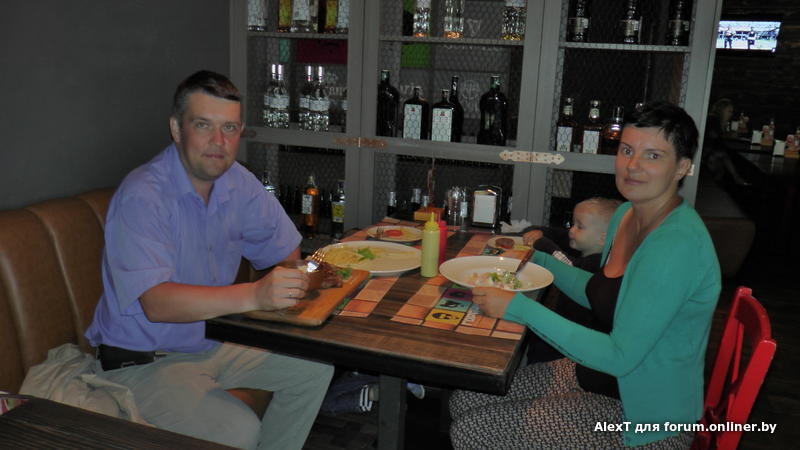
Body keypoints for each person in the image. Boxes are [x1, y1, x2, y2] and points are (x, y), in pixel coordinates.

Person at [85, 70, 333, 450]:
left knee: (314, 368)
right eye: (203, 125)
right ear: (176, 128)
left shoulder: (238, 182)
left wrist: (288, 286)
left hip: (213, 341)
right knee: (237, 429)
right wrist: (255, 295)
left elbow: (284, 252)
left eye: (229, 128)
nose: (219, 142)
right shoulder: (143, 196)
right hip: (144, 361)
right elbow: (157, 302)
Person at [449, 102, 721, 449]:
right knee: (464, 399)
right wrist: (541, 262)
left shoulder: (676, 244)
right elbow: (597, 291)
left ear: (682, 167)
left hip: (647, 416)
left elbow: (619, 356)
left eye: (653, 156)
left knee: (472, 430)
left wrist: (518, 308)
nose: (633, 165)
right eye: (627, 150)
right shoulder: (627, 214)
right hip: (598, 378)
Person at [520, 197, 622, 363]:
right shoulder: (588, 246)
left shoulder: (599, 265)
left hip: (572, 347)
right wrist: (539, 232)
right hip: (565, 327)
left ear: (603, 238)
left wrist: (542, 244)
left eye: (579, 226)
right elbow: (560, 235)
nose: (571, 230)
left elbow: (569, 266)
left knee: (540, 349)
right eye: (573, 224)